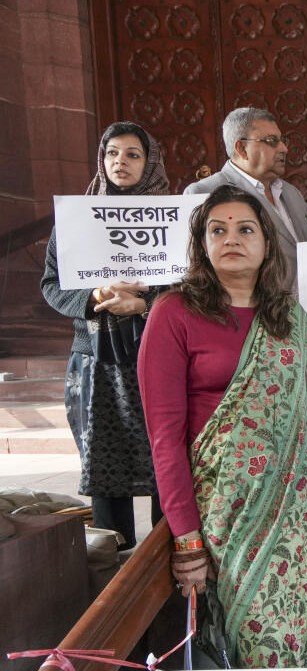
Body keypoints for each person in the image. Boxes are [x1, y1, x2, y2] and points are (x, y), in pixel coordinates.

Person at [139, 186, 307, 667]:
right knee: (262, 643)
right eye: (217, 230)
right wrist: (187, 537)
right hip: (230, 512)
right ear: (202, 244)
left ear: (266, 243)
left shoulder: (290, 317)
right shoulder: (174, 314)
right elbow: (165, 436)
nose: (231, 239)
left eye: (245, 229)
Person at [40, 121, 169, 549]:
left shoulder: (175, 222)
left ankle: (166, 562)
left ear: (149, 163)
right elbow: (52, 284)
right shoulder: (76, 220)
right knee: (103, 463)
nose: (121, 162)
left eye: (133, 154)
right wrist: (93, 293)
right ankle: (115, 575)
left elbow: (194, 284)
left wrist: (146, 306)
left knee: (165, 461)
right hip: (96, 360)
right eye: (113, 153)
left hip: (159, 355)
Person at [183, 107, 307, 289]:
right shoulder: (204, 193)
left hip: (302, 311)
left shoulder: (291, 192)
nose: (284, 148)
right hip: (246, 312)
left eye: (282, 141)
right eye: (272, 141)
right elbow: (195, 268)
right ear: (242, 148)